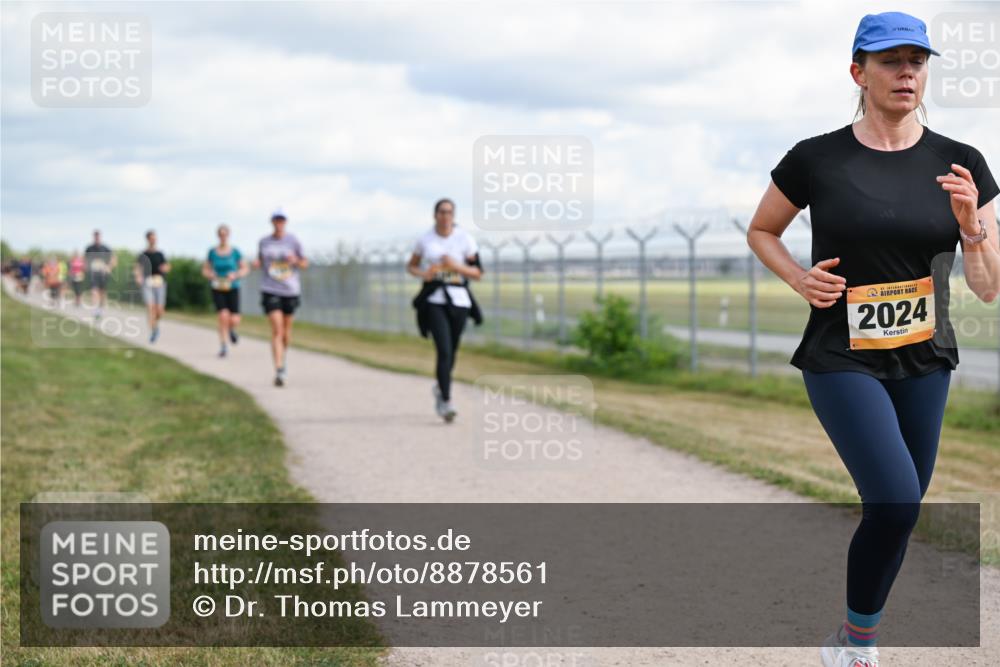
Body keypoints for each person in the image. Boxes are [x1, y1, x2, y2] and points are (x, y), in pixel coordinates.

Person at [746, 12, 999, 667]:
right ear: (859, 72)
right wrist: (801, 279)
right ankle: (859, 649)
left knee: (899, 511)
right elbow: (762, 230)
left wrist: (972, 225)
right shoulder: (816, 158)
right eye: (891, 60)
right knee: (892, 496)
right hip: (841, 354)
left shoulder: (962, 162)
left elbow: (990, 286)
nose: (907, 71)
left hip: (925, 357)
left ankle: (850, 636)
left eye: (917, 60)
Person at [407, 198, 483, 422]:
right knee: (444, 350)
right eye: (441, 212)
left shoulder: (465, 239)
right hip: (435, 299)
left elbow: (478, 272)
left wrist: (455, 266)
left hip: (459, 300)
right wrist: (425, 274)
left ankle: (441, 386)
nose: (445, 216)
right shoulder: (425, 240)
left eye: (449, 212)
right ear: (435, 215)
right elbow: (411, 266)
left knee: (453, 350)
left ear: (454, 215)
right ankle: (446, 400)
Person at [252, 209, 307, 386]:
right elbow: (260, 261)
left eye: (281, 220)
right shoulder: (264, 241)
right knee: (277, 329)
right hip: (270, 288)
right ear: (272, 222)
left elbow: (305, 263)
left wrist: (296, 261)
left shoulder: (293, 240)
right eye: (276, 220)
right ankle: (279, 369)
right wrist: (256, 264)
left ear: (285, 222)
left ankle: (283, 357)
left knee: (286, 332)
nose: (279, 223)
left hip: (290, 289)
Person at [202, 224, 249, 358]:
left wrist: (236, 274)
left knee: (234, 319)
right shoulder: (212, 252)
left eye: (225, 234)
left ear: (228, 235)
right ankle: (223, 346)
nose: (223, 236)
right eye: (220, 234)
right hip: (217, 287)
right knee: (222, 316)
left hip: (232, 287)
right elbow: (205, 269)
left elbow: (245, 268)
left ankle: (232, 329)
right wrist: (210, 274)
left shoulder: (235, 252)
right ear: (218, 236)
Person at [134, 229, 171, 343]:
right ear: (148, 239)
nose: (153, 240)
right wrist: (138, 277)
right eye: (151, 238)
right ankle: (154, 330)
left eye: (155, 238)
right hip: (147, 282)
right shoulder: (143, 254)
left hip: (159, 282)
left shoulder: (160, 254)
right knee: (150, 307)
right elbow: (137, 268)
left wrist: (165, 268)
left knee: (159, 310)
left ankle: (155, 322)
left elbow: (167, 266)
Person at [85, 230, 116, 319]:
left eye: (98, 237)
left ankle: (100, 309)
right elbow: (85, 260)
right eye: (95, 237)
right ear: (93, 237)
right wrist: (87, 268)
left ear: (100, 237)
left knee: (102, 293)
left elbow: (114, 258)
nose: (97, 238)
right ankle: (95, 311)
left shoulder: (105, 248)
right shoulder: (89, 248)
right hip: (93, 273)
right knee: (94, 291)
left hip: (103, 274)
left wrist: (109, 267)